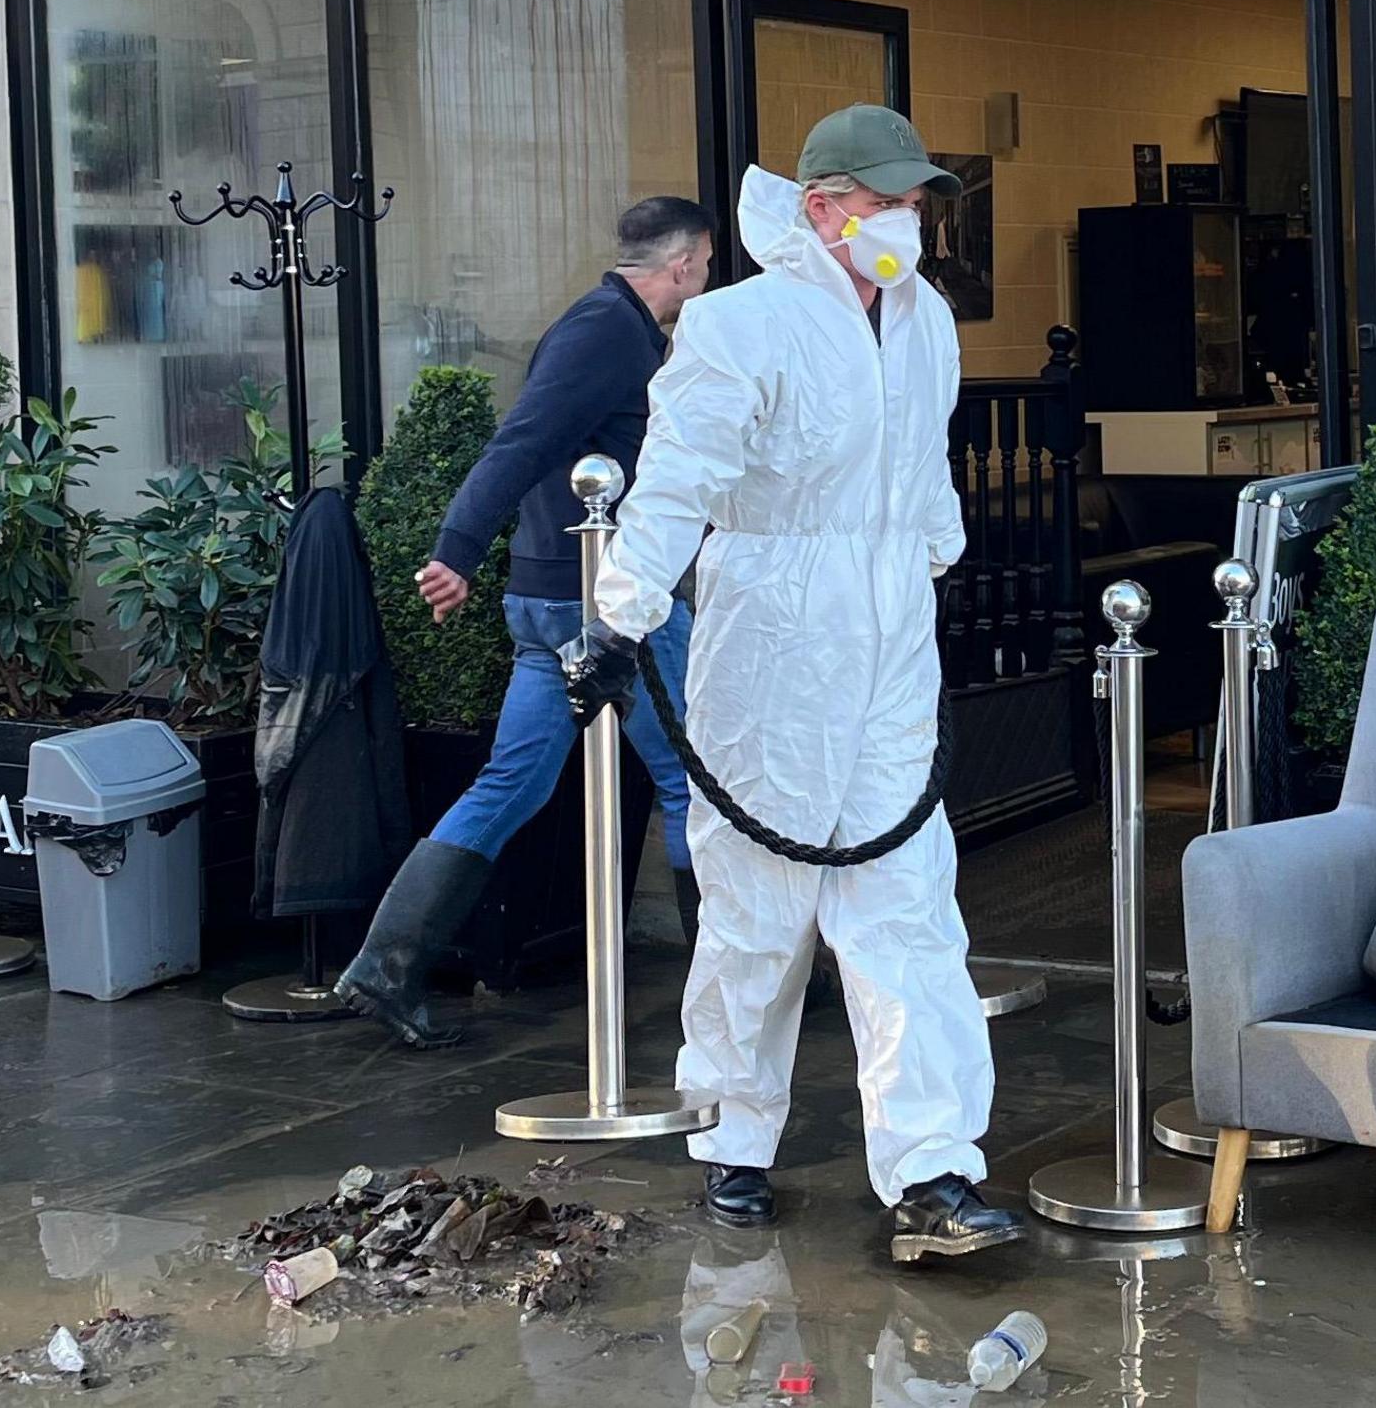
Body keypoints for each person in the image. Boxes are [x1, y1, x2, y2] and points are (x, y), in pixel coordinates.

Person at [571, 105, 1018, 1265]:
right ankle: (733, 1137)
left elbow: (923, 470)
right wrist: (623, 615)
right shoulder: (738, 325)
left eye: (916, 202)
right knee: (757, 913)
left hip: (888, 657)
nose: (906, 222)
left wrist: (932, 557)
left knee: (908, 914)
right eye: (885, 202)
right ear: (821, 206)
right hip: (770, 651)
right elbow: (678, 480)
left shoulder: (925, 325)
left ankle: (932, 1171)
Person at [331, 194, 718, 1050]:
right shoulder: (605, 333)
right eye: (707, 266)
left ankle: (386, 968)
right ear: (686, 261)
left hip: (551, 603)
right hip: (612, 604)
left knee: (514, 782)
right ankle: (735, 995)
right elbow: (521, 439)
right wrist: (456, 547)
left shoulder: (616, 327)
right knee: (695, 782)